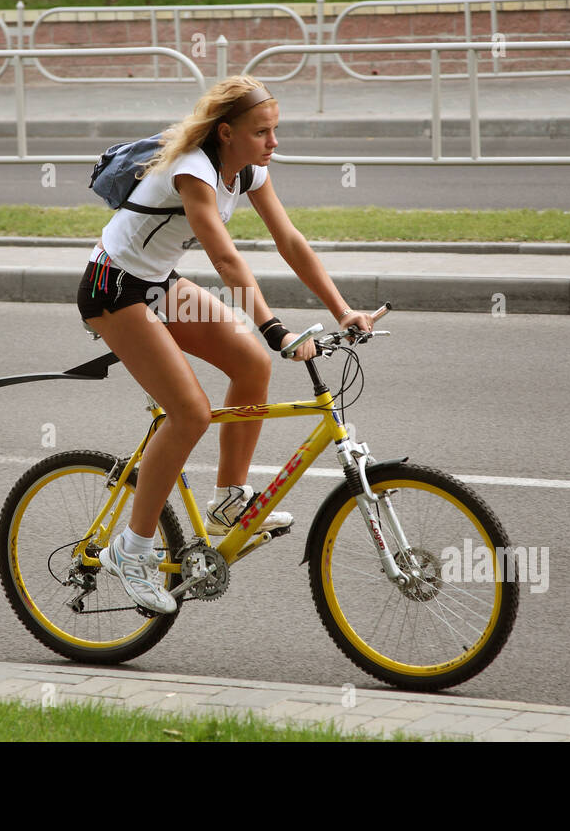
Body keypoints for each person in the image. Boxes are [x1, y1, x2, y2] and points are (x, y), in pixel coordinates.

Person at [76, 74, 375, 613]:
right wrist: (276, 327)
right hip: (114, 289)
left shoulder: (250, 169)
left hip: (158, 286)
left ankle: (227, 502)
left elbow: (289, 240)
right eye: (263, 132)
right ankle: (133, 550)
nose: (274, 143)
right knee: (189, 413)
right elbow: (226, 260)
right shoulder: (193, 171)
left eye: (275, 130)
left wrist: (342, 309)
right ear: (226, 133)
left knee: (250, 363)